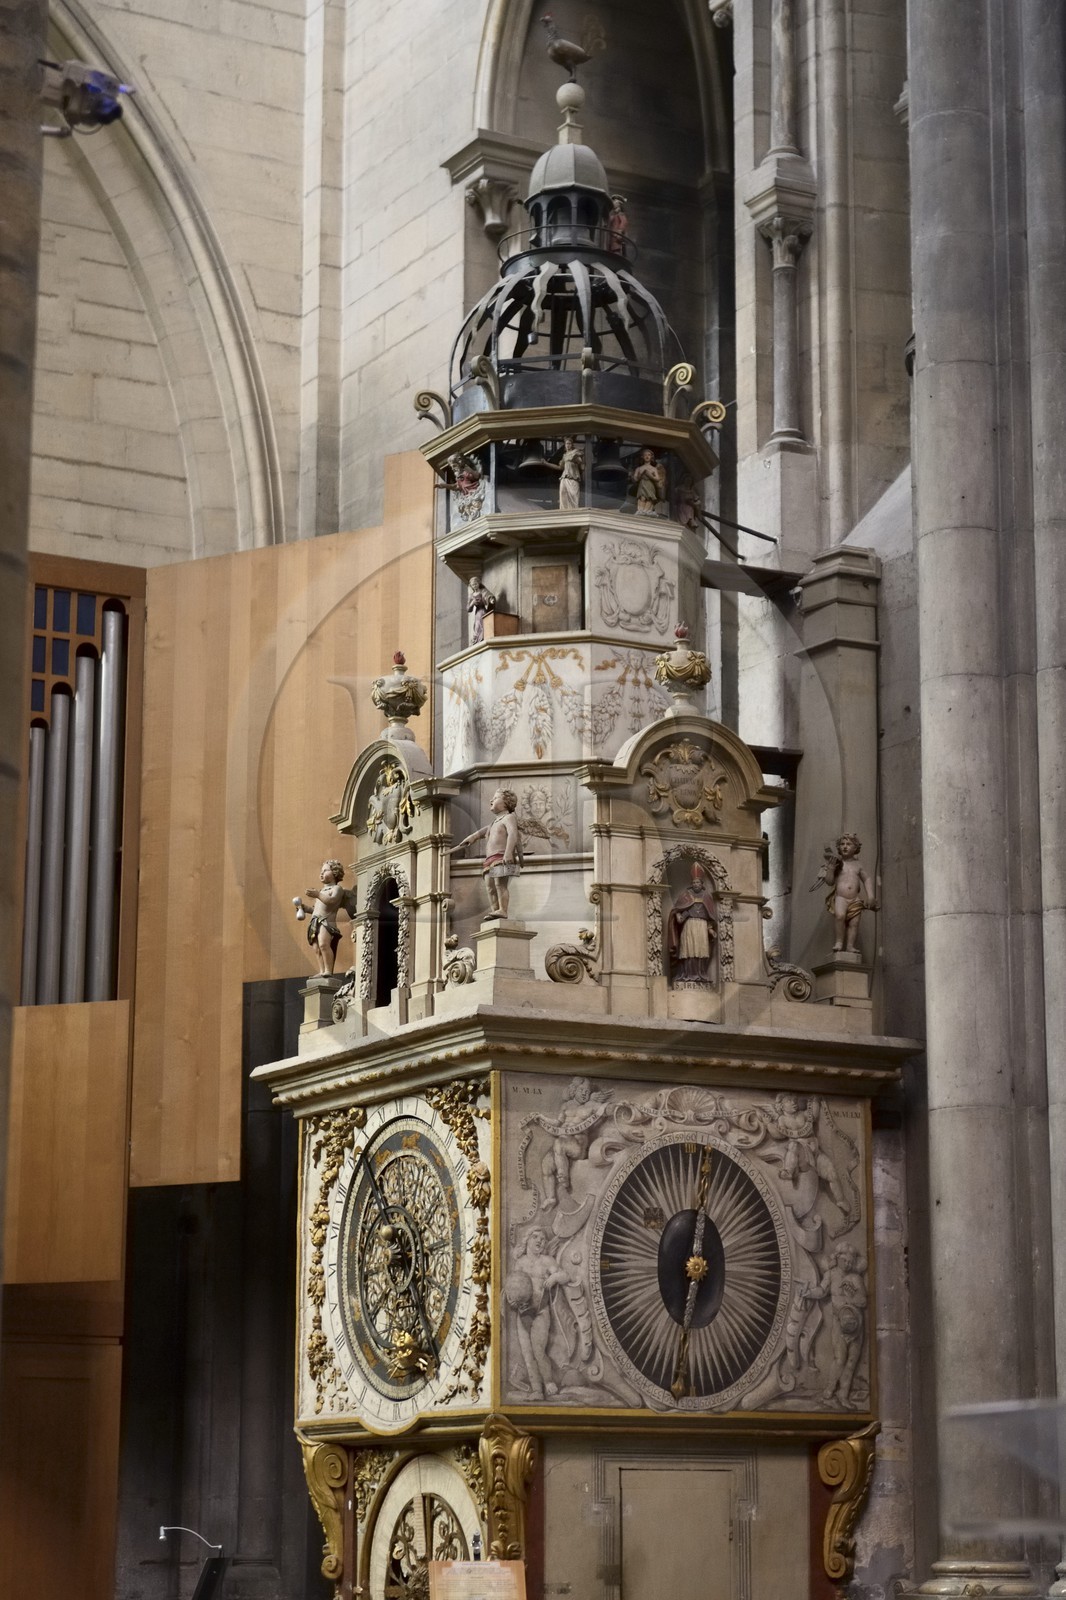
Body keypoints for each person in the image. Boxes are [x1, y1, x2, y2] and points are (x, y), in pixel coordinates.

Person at [451, 787, 523, 917]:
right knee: (490, 887)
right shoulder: (494, 822)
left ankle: (503, 910)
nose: (491, 800)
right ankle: (495, 910)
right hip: (490, 859)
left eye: (495, 798)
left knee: (499, 884)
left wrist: (508, 852)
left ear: (506, 802)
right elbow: (480, 833)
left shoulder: (509, 818)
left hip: (501, 857)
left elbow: (513, 835)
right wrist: (470, 838)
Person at [811, 833, 879, 953]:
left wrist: (871, 896)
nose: (845, 846)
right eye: (842, 844)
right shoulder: (837, 863)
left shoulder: (858, 865)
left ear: (856, 848)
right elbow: (830, 882)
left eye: (849, 844)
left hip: (855, 899)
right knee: (840, 916)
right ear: (838, 847)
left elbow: (867, 879)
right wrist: (831, 869)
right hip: (841, 897)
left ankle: (850, 946)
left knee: (855, 922)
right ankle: (839, 942)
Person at [292, 860, 357, 975]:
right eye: (321, 871)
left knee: (324, 944)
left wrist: (317, 895)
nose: (322, 873)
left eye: (325, 870)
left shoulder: (336, 889)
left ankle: (328, 970)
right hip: (315, 921)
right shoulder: (322, 891)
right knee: (317, 949)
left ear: (335, 873)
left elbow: (331, 902)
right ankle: (322, 971)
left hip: (327, 922)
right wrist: (304, 908)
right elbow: (316, 910)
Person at [666, 862, 717, 983]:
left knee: (701, 950)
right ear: (691, 883)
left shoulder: (707, 897)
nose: (696, 884)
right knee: (688, 949)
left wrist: (710, 929)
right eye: (694, 882)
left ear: (702, 884)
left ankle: (701, 974)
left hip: (701, 926)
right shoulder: (685, 895)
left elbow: (710, 916)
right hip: (689, 926)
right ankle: (685, 974)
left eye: (698, 882)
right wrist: (679, 915)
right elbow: (677, 910)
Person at [546, 436, 584, 510]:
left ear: (572, 445)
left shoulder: (575, 452)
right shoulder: (564, 456)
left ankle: (574, 512)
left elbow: (580, 462)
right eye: (566, 443)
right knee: (563, 496)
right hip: (564, 478)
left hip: (573, 478)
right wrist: (546, 464)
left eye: (569, 443)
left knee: (573, 495)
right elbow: (559, 467)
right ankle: (564, 511)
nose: (568, 445)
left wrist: (576, 456)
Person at [467, 575, 496, 644]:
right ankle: (477, 639)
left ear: (479, 583)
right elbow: (468, 609)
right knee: (477, 626)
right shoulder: (471, 595)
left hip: (483, 610)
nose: (474, 586)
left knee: (483, 624)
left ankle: (483, 637)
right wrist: (472, 603)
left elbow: (488, 596)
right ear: (471, 586)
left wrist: (491, 600)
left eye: (476, 584)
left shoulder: (482, 591)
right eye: (473, 585)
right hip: (477, 612)